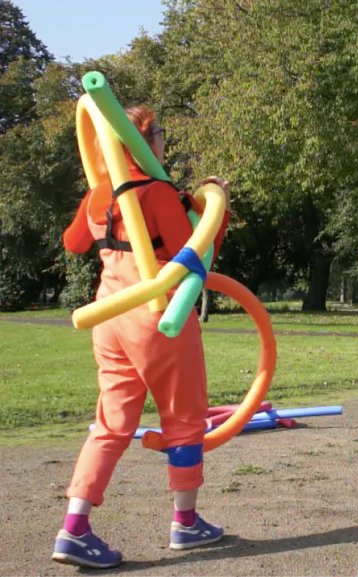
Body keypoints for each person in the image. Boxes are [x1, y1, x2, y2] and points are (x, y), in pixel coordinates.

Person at [53, 106, 231, 568]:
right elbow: (191, 253)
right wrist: (214, 207)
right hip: (158, 317)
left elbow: (74, 243)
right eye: (162, 135)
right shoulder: (155, 192)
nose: (164, 143)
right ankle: (186, 524)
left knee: (110, 425)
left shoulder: (98, 193)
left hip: (109, 316)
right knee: (185, 419)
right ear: (147, 141)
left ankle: (74, 529)